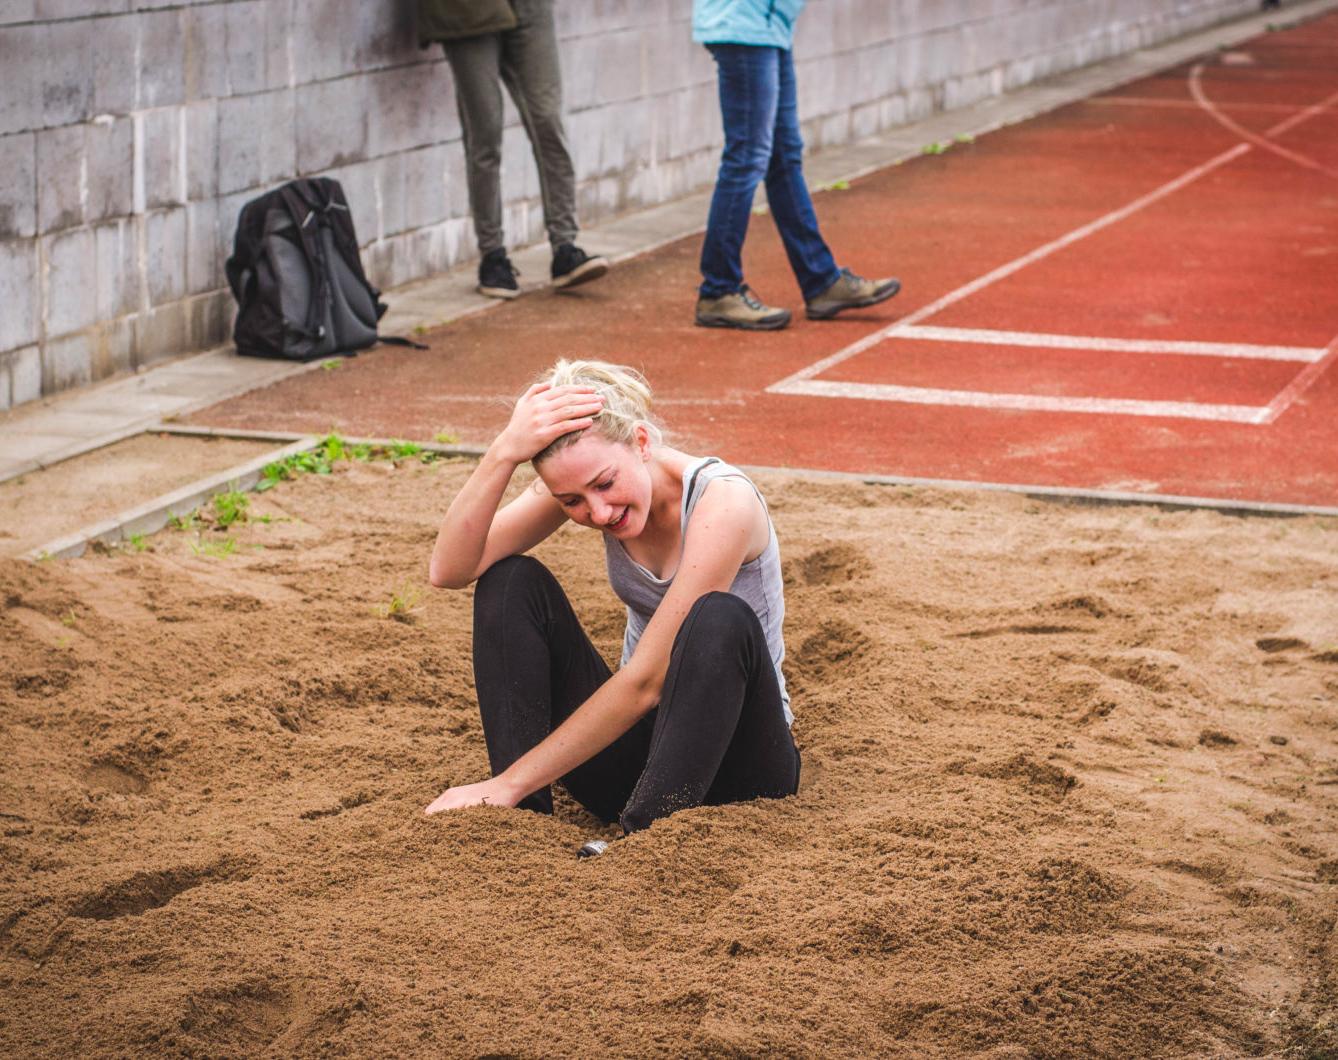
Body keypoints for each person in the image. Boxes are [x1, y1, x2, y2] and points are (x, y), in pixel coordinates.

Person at [424, 360, 800, 835]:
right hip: (639, 756)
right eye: (572, 502)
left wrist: (509, 781)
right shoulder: (582, 482)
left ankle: (641, 837)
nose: (599, 512)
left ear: (641, 443)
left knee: (718, 617)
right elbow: (450, 570)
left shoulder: (724, 502)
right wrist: (502, 453)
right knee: (508, 583)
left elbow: (647, 681)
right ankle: (518, 822)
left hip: (742, 767)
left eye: (605, 484)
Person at [693, 0, 900, 330]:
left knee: (783, 157)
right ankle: (718, 290)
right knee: (746, 158)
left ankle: (821, 281)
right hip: (744, 26)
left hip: (770, 27)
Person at [418, 0, 609, 298]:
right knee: (485, 133)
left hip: (530, 8)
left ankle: (565, 248)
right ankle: (492, 255)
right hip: (468, 11)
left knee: (548, 121)